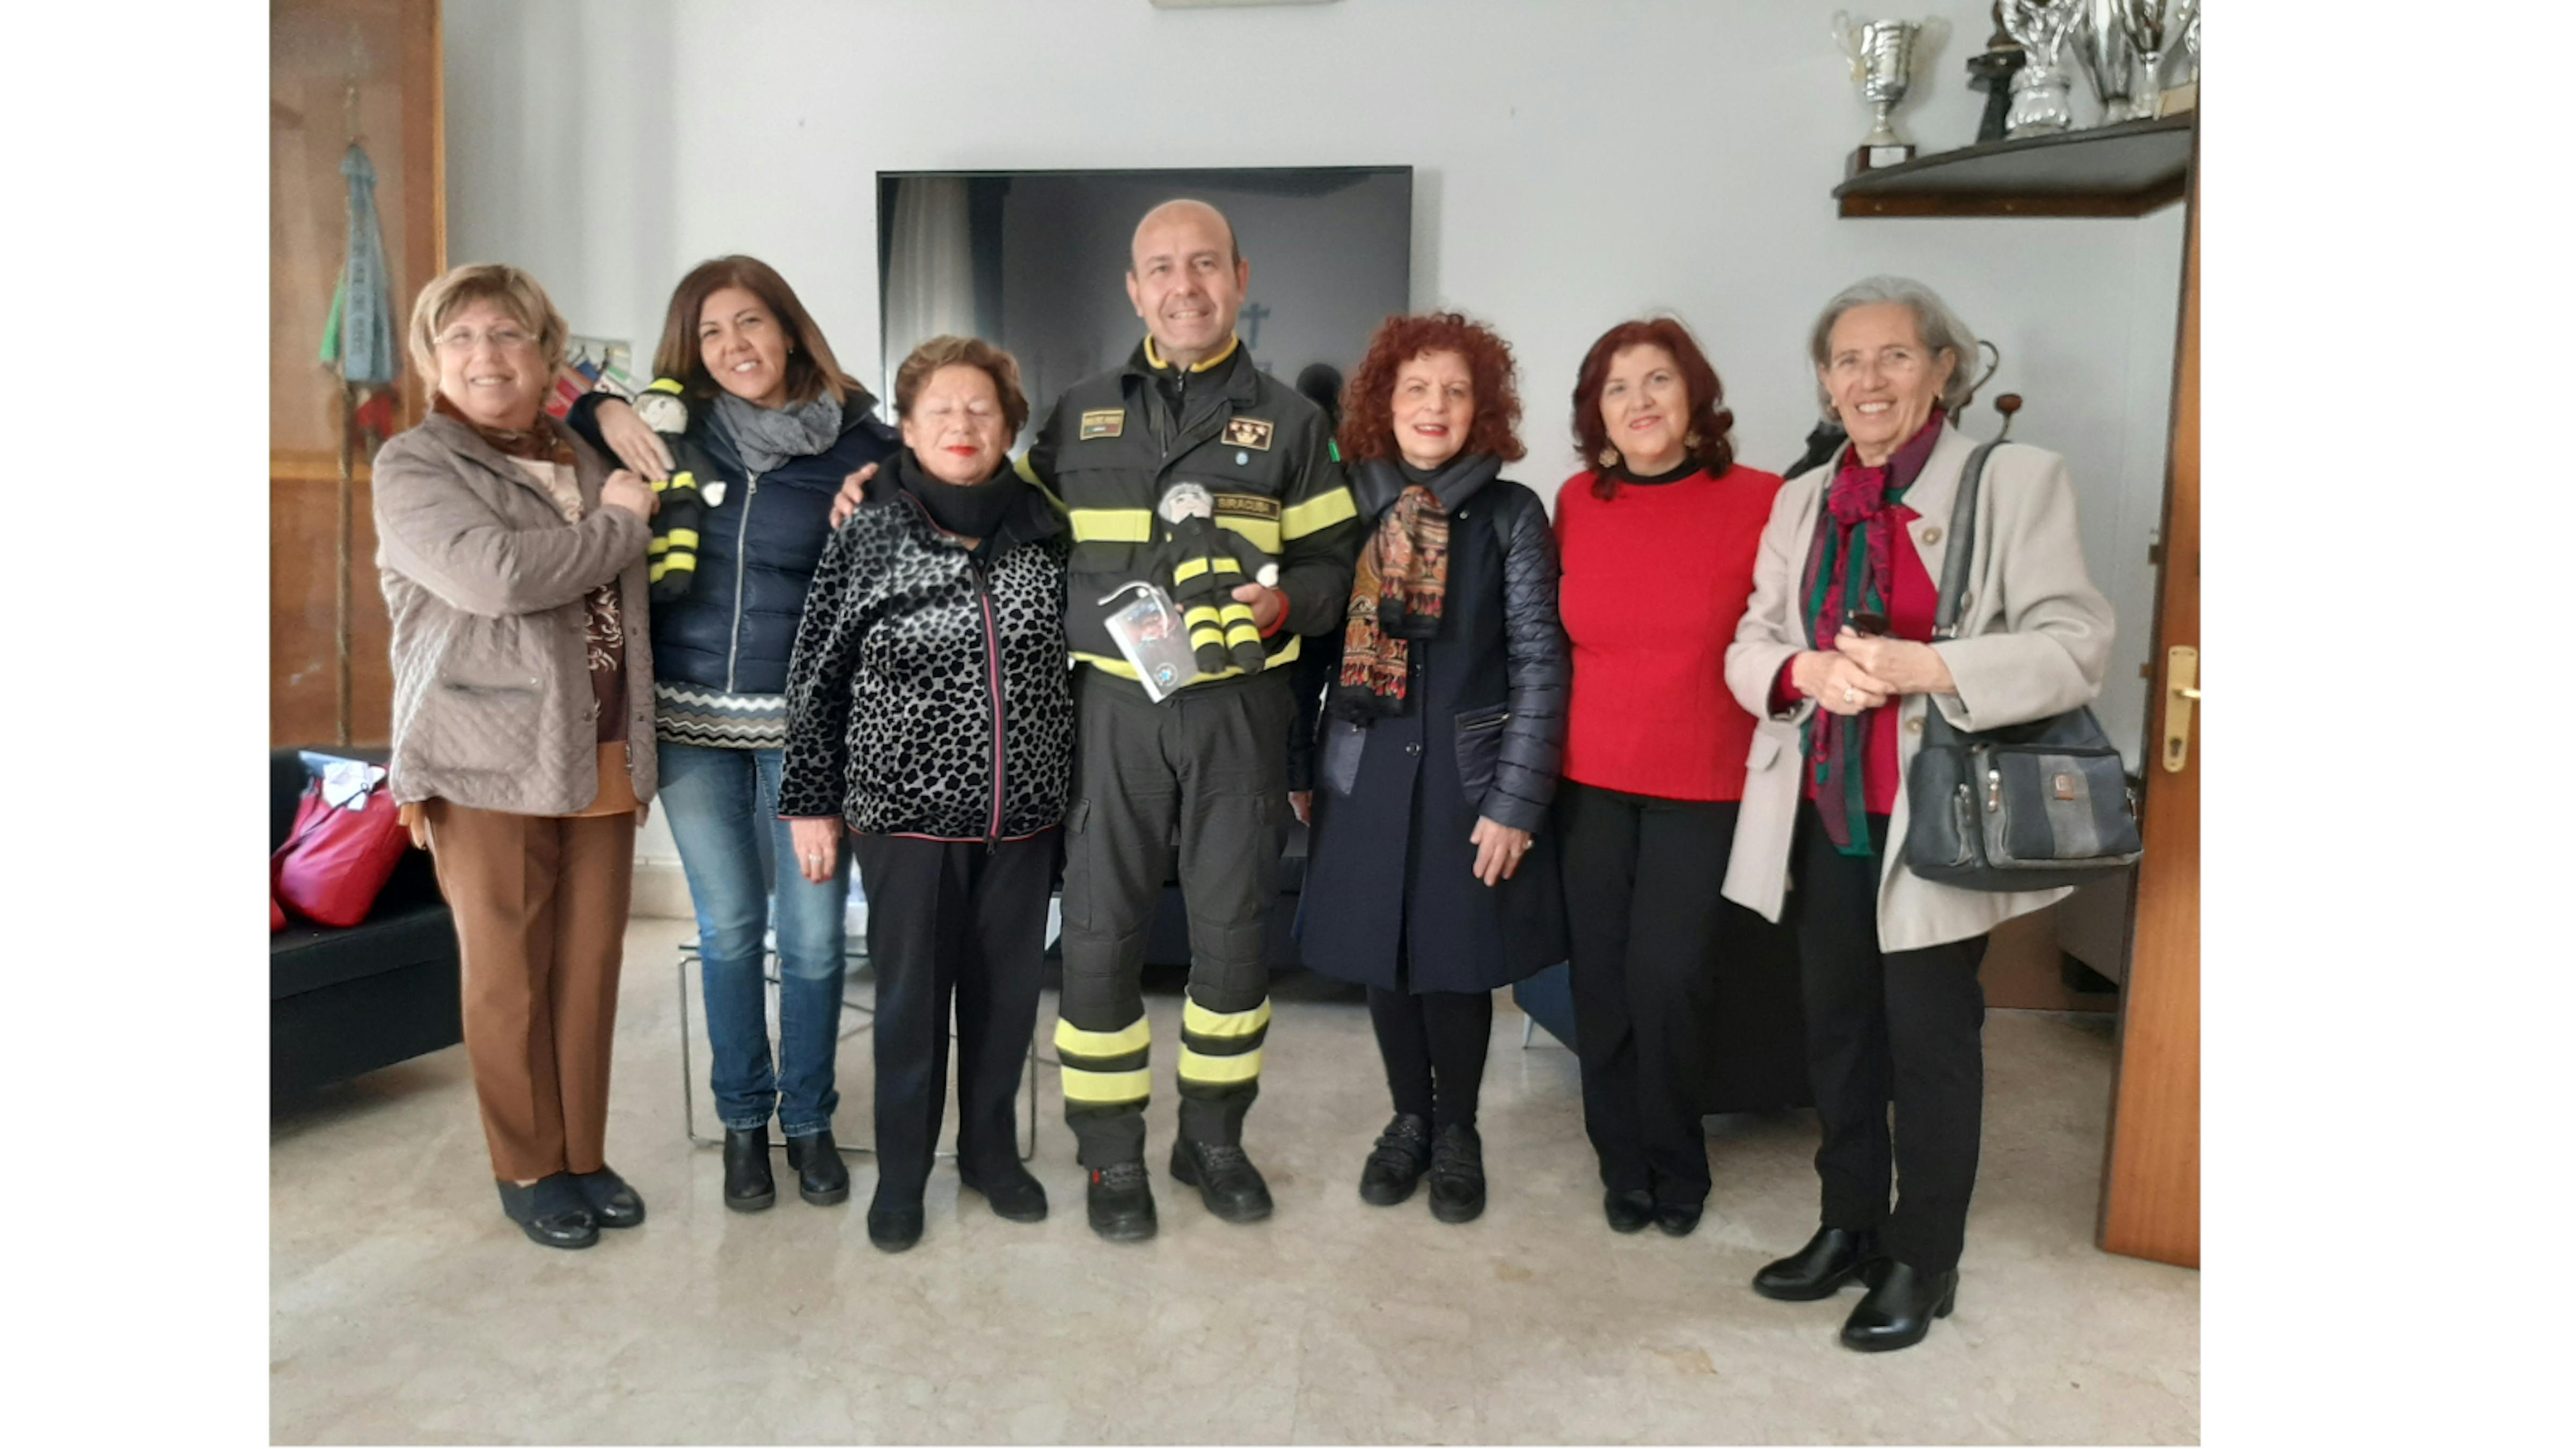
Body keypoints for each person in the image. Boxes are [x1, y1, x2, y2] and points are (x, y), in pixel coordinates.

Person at [1725, 276, 2114, 1352]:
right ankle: (1846, 1224)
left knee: (1931, 1046)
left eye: (1896, 356)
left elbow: (2075, 643)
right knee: (1837, 1033)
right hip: (1825, 811)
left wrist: (1929, 665)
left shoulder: (2016, 480)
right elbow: (1749, 644)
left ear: (1945, 368)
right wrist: (1804, 669)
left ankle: (1922, 1258)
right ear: (1825, 380)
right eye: (1848, 361)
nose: (1869, 380)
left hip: (1935, 821)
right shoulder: (1801, 499)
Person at [1025, 199, 1363, 1241]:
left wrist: (1285, 605)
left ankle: (1212, 1136)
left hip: (1239, 711)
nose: (1184, 286)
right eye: (1162, 268)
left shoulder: (1296, 426)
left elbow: (1337, 570)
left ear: (1240, 276)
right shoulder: (1076, 416)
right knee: (1098, 936)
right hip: (1111, 714)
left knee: (1230, 939)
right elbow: (1016, 554)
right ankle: (1110, 1153)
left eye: (1204, 265)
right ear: (1135, 290)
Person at [567, 257, 898, 1214]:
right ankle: (744, 1126)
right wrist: (597, 409)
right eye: (712, 333)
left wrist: (875, 516)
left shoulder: (864, 442)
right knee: (729, 933)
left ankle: (811, 1123)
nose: (734, 348)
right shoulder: (672, 432)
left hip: (809, 737)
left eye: (751, 324)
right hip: (691, 728)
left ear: (789, 329)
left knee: (813, 940)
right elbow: (549, 408)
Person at [372, 264, 657, 1250]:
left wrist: (611, 408)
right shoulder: (414, 465)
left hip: (606, 741)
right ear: (431, 359)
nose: (486, 356)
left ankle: (583, 1150)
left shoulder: (580, 450)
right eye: (460, 339)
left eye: (507, 335)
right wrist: (621, 523)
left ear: (546, 354)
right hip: (481, 752)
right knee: (506, 972)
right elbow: (496, 579)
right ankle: (528, 1165)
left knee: (588, 968)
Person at [778, 336, 1070, 1253]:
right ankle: (903, 1174)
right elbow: (815, 676)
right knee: (911, 1009)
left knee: (1006, 1002)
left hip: (1024, 820)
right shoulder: (868, 531)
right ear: (906, 427)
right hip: (903, 820)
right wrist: (809, 802)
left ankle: (989, 1154)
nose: (961, 424)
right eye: (940, 408)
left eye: (981, 409)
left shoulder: (1047, 528)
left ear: (1010, 426)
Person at [1296, 312, 1569, 1224]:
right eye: (1417, 387)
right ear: (1384, 399)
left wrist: (1516, 801)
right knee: (1385, 956)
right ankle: (1408, 1120)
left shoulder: (1512, 513)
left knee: (1454, 962)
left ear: (1482, 409)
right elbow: (1311, 649)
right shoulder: (1344, 502)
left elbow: (1541, 662)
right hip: (1364, 768)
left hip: (1469, 776)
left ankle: (1460, 1131)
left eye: (1457, 390)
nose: (1435, 406)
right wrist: (1301, 763)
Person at [1552, 317, 1784, 1240]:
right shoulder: (1577, 500)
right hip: (1590, 776)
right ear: (1596, 413)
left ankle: (1675, 1153)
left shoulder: (1765, 500)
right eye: (1617, 388)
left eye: (1657, 381)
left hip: (1707, 779)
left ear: (1694, 399)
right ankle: (1620, 1158)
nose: (1639, 402)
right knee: (1601, 978)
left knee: (1672, 977)